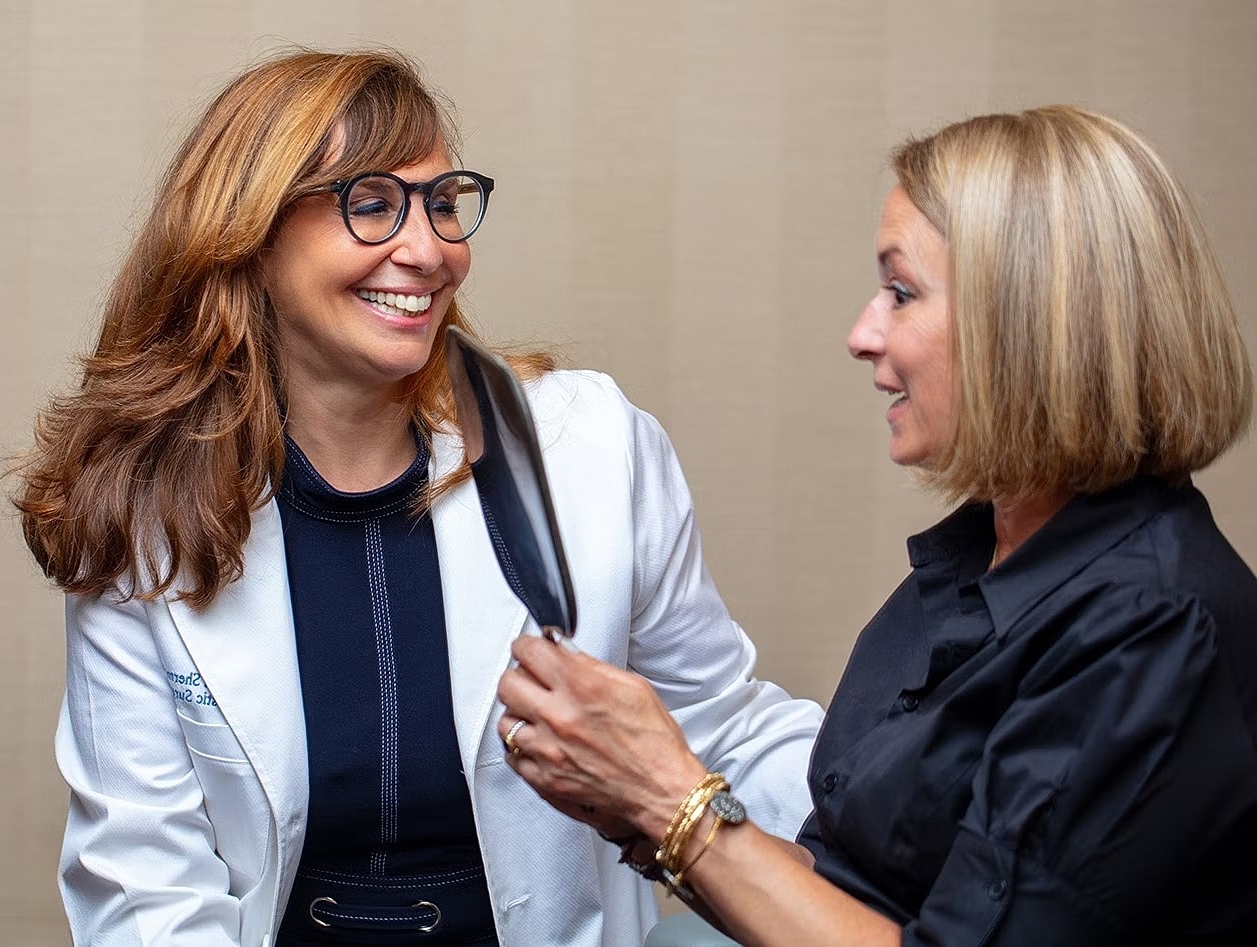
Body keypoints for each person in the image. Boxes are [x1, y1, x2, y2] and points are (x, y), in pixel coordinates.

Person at [12, 48, 822, 946]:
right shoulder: (149, 509)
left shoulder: (591, 447)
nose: (430, 250)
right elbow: (146, 884)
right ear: (249, 236)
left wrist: (915, 812)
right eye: (371, 205)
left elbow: (721, 731)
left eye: (441, 203)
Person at [497, 104, 1257, 945]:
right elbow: (850, 890)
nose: (862, 334)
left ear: (1032, 326)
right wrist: (631, 807)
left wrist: (672, 797)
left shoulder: (1149, 628)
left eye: (901, 293)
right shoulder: (985, 557)